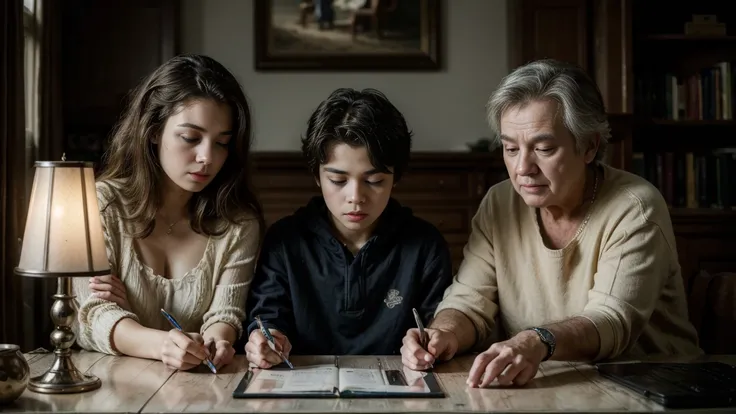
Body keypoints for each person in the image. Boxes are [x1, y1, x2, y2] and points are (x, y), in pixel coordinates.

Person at [400, 59, 702, 386]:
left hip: (656, 385)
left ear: (589, 146)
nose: (523, 167)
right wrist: (444, 333)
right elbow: (470, 302)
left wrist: (536, 340)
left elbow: (612, 322)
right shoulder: (499, 203)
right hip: (551, 385)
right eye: (510, 148)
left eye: (543, 148)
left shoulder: (634, 206)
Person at [73, 54, 264, 371]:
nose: (207, 157)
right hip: (107, 388)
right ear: (153, 131)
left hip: (201, 391)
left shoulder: (237, 222)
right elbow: (91, 316)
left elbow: (224, 315)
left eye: (222, 143)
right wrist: (163, 345)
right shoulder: (99, 204)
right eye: (191, 138)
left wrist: (218, 342)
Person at [241, 88, 453, 368]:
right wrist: (265, 340)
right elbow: (267, 316)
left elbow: (439, 325)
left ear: (395, 177)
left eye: (375, 181)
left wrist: (431, 344)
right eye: (338, 180)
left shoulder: (425, 245)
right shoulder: (285, 240)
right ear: (317, 175)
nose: (355, 197)